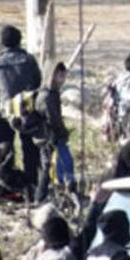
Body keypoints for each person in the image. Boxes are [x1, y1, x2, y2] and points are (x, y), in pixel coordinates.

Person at [0, 25, 42, 197]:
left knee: (5, 151)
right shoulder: (29, 60)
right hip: (28, 112)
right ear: (19, 40)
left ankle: (6, 187)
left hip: (5, 114)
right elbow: (37, 84)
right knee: (30, 151)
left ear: (2, 43)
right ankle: (32, 187)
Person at [35, 62, 74, 203]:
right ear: (52, 76)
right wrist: (63, 132)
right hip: (48, 137)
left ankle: (60, 193)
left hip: (52, 136)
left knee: (54, 166)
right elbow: (53, 120)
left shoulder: (53, 93)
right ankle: (40, 198)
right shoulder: (47, 96)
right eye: (59, 75)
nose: (62, 79)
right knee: (47, 167)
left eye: (64, 75)